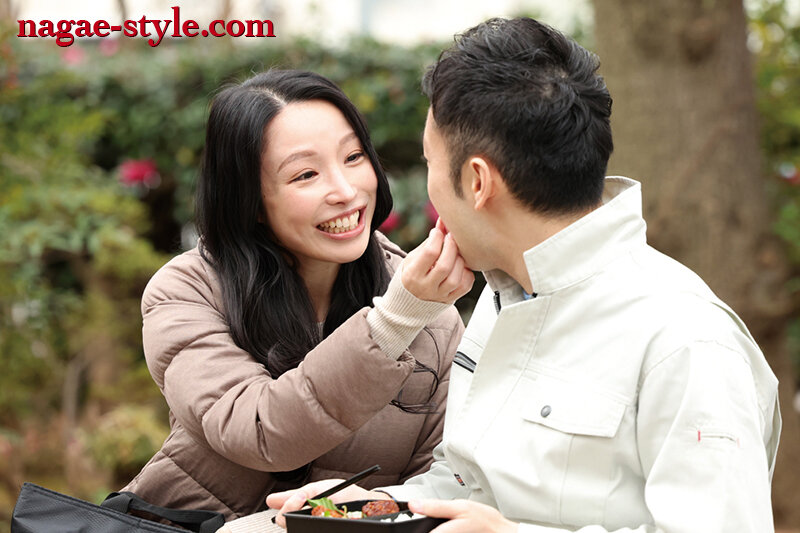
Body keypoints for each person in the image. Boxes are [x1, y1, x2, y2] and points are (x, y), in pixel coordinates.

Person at [270, 17, 782, 532]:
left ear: (477, 182)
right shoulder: (504, 295)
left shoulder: (687, 340)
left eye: (430, 163)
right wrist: (373, 509)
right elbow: (468, 487)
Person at [121, 69, 473, 522]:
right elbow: (257, 431)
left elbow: (437, 485)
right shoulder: (187, 291)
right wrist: (392, 324)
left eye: (353, 156)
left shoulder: (429, 314)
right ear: (249, 199)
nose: (345, 191)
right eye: (306, 174)